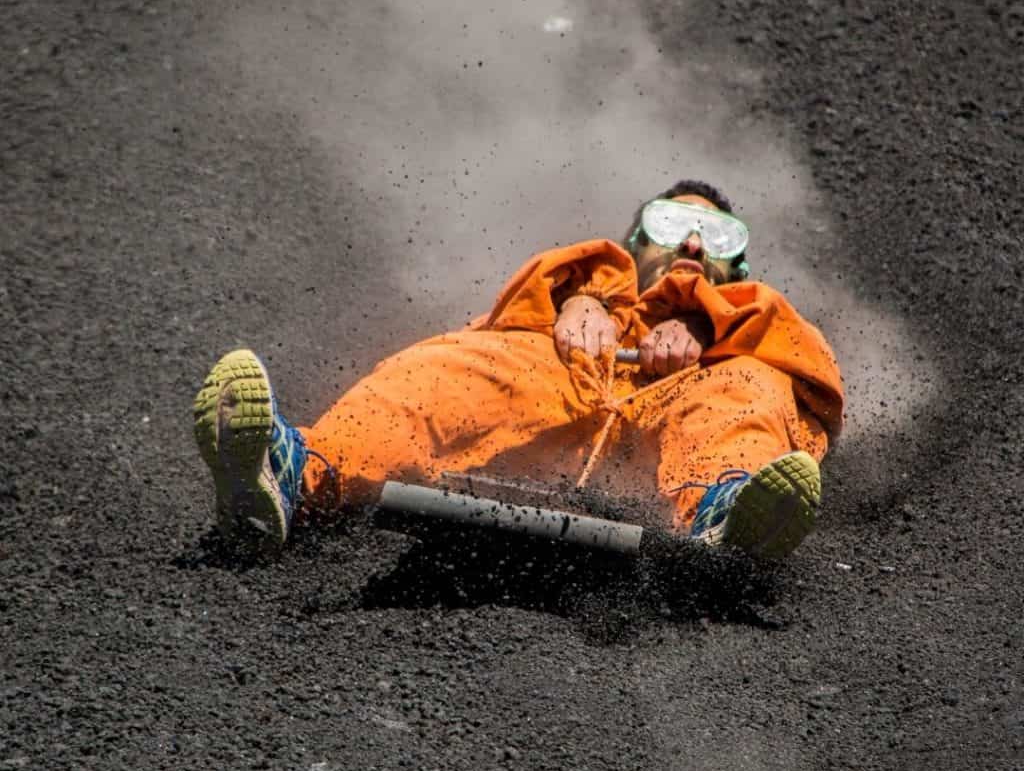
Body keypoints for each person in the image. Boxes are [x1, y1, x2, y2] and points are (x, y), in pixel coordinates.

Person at [193, 179, 844, 559]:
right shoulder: (570, 293)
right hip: (563, 392)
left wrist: (704, 321)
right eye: (671, 222)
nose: (695, 242)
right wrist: (583, 296)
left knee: (746, 390)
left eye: (720, 235)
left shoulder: (759, 332)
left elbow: (809, 379)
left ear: (738, 267)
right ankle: (289, 477)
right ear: (635, 243)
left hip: (676, 424)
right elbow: (520, 305)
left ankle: (723, 515)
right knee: (457, 367)